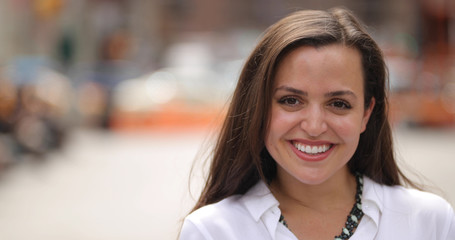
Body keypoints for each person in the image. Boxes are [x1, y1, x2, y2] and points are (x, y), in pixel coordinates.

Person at [179, 7, 455, 240]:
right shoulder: (212, 231)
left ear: (366, 114)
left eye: (338, 104)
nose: (314, 127)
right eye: (290, 100)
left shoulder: (428, 223)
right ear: (259, 107)